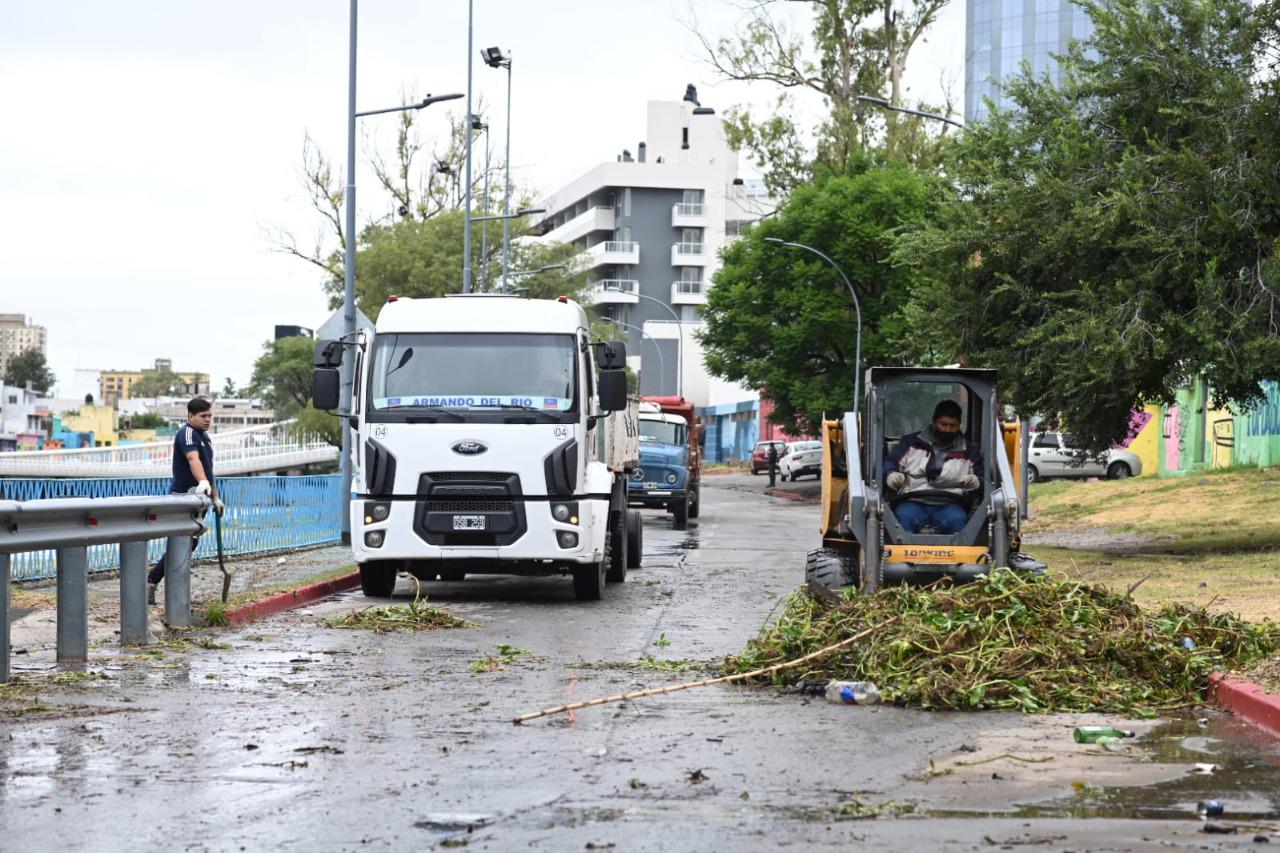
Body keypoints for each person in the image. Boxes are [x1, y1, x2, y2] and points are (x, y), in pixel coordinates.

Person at [148, 397, 224, 604]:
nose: (208, 420)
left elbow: (208, 469)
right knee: (183, 543)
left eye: (210, 416)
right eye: (203, 416)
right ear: (190, 416)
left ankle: (160, 586)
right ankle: (158, 585)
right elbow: (193, 460)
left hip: (199, 496)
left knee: (189, 543)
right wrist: (203, 482)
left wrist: (215, 496)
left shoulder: (205, 438)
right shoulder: (187, 433)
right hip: (184, 496)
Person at [883, 400, 983, 534]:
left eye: (953, 425)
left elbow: (983, 477)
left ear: (959, 425)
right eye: (943, 424)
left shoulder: (969, 451)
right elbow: (890, 462)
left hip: (951, 503)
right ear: (934, 422)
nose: (947, 429)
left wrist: (977, 481)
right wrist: (891, 474)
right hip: (912, 500)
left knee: (957, 520)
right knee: (905, 518)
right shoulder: (911, 443)